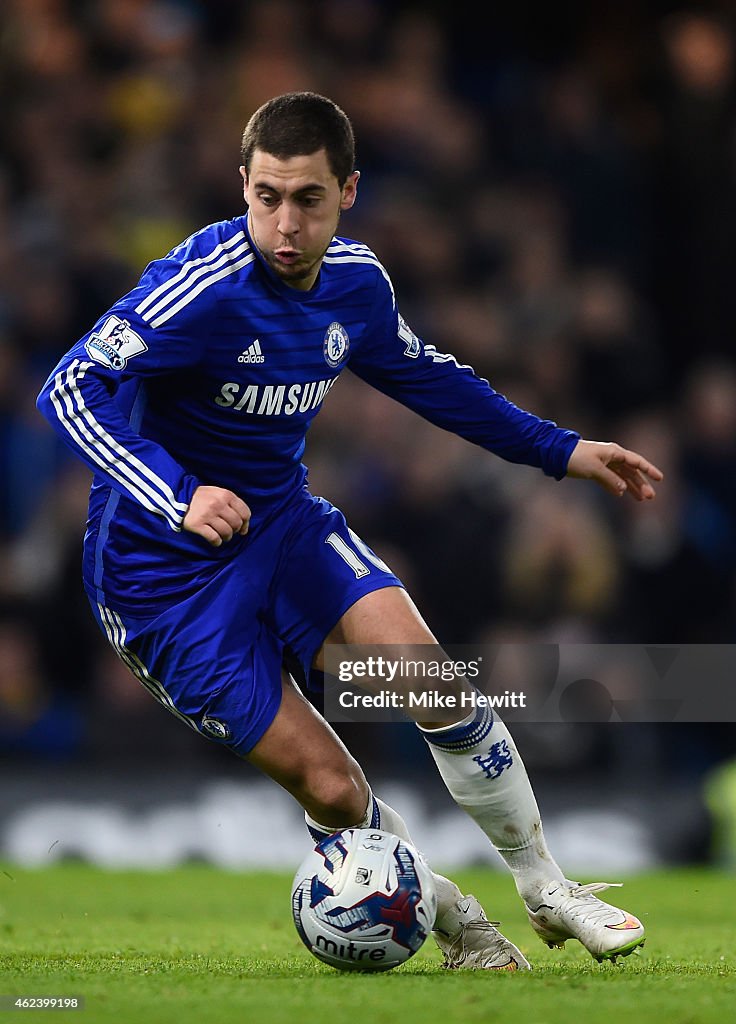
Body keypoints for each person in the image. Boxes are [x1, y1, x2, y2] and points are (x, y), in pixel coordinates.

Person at [37, 92, 662, 971]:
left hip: (283, 529)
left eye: (309, 200)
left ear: (349, 192)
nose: (284, 224)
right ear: (243, 187)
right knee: (333, 790)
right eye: (267, 198)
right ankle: (461, 925)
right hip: (160, 579)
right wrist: (177, 492)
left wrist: (562, 450)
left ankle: (548, 889)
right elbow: (68, 388)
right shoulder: (201, 287)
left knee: (432, 681)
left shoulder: (357, 283)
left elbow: (430, 379)